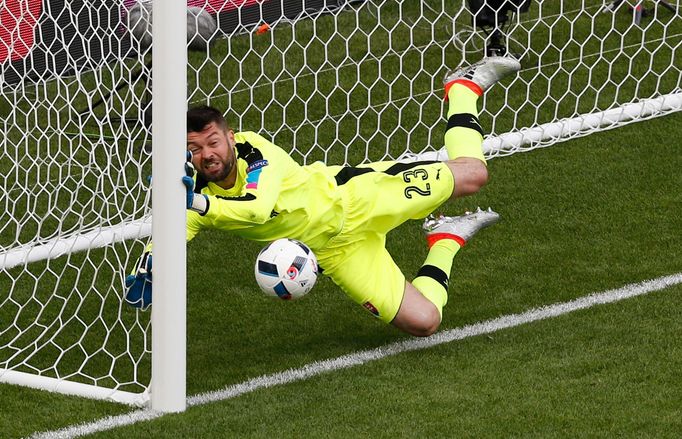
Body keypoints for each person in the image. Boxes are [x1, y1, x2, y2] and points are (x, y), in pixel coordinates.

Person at [125, 56, 521, 337]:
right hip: (336, 252)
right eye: (195, 149)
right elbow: (177, 228)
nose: (207, 154)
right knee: (424, 322)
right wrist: (153, 260)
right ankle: (445, 239)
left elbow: (256, 208)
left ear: (230, 136)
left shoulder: (256, 151)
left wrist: (194, 202)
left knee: (474, 174)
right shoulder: (194, 187)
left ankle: (462, 89)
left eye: (213, 141)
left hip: (361, 196)